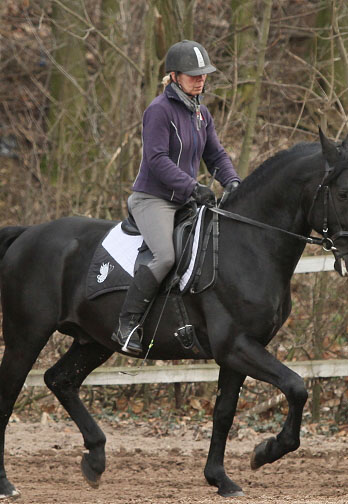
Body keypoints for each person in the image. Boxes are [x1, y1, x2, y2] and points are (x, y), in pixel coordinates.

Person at [112, 40, 241, 355]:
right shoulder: (159, 110)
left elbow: (216, 155)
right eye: (193, 74)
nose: (200, 79)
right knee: (165, 257)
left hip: (185, 199)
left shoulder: (201, 113)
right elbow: (157, 160)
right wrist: (193, 187)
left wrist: (234, 182)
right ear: (174, 75)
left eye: (203, 74)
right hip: (153, 199)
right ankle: (126, 326)